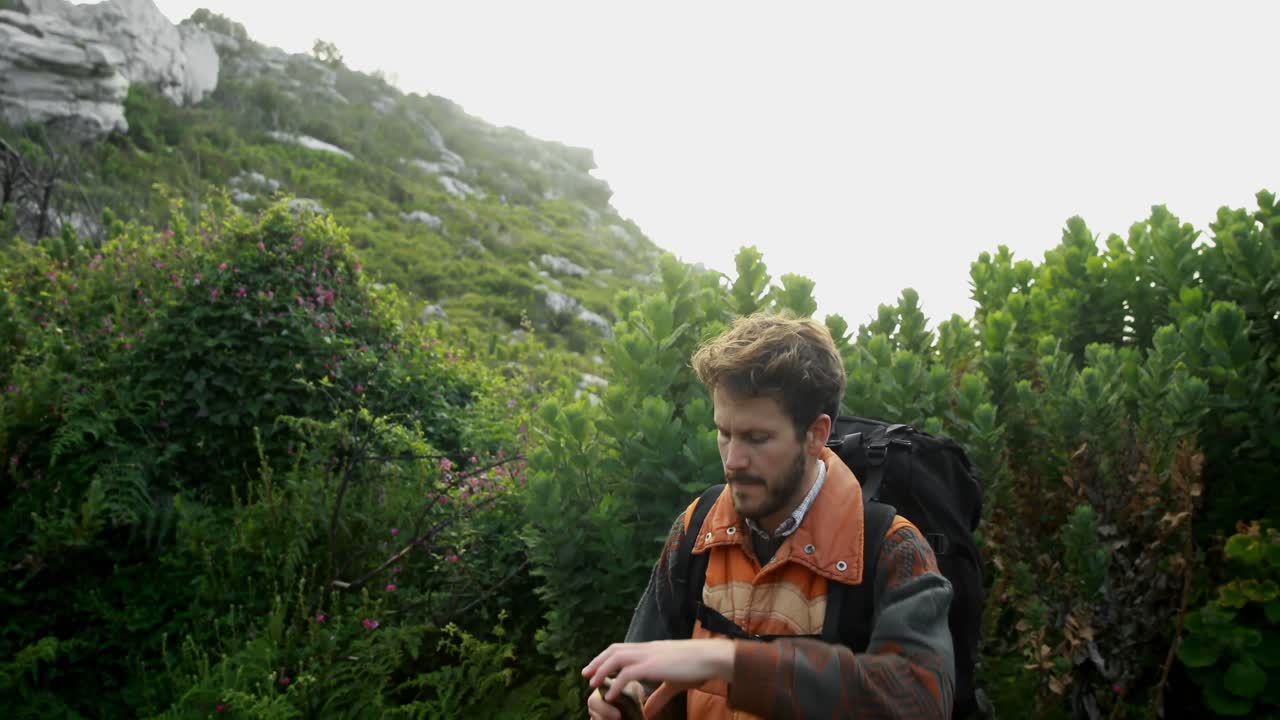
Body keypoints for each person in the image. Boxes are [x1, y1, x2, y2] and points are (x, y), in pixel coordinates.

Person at [583, 312, 955, 719]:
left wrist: (727, 662)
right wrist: (624, 697)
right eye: (724, 433)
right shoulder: (697, 526)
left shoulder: (890, 546)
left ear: (816, 434)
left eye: (757, 438)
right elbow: (646, 666)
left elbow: (921, 699)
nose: (733, 460)